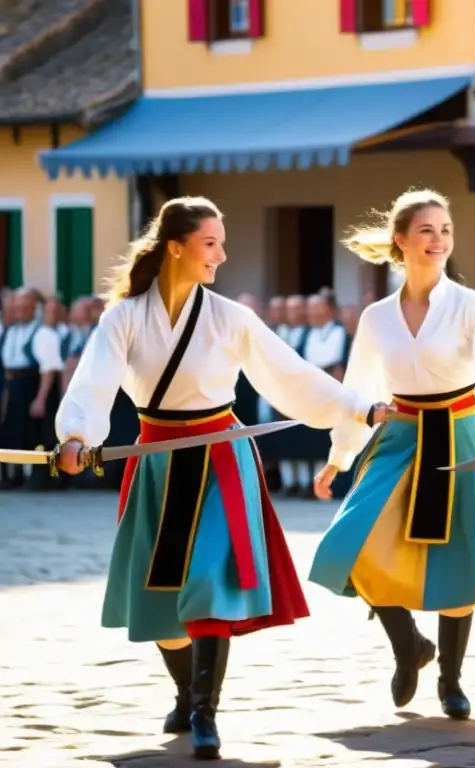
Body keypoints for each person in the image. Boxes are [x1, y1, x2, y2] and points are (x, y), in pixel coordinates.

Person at [53, 196, 387, 760]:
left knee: (208, 582)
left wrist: (359, 407)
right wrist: (76, 437)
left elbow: (291, 375)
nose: (221, 255)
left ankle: (206, 713)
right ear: (176, 248)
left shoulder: (230, 316)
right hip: (156, 457)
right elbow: (94, 383)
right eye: (211, 243)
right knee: (161, 607)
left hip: (219, 458)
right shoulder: (125, 316)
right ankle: (186, 694)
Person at [309, 189, 475, 721]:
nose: (439, 240)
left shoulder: (471, 305)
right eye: (427, 230)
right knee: (349, 545)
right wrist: (339, 456)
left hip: (462, 433)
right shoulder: (378, 316)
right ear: (400, 241)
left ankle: (451, 680)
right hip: (400, 434)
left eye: (446, 229)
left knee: (457, 561)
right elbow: (357, 386)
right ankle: (409, 644)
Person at [0, 287, 63, 490]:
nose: (20, 309)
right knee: (14, 432)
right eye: (17, 305)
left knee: (37, 434)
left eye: (25, 305)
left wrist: (41, 398)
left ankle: (40, 478)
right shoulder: (10, 331)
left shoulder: (43, 333)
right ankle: (14, 476)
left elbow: (49, 370)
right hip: (14, 388)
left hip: (33, 386)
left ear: (35, 307)